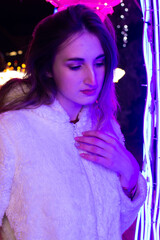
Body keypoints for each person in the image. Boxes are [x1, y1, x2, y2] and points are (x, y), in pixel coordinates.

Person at [0, 4, 147, 240]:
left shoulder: (105, 126)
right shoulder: (11, 131)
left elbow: (115, 225)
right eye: (76, 66)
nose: (92, 78)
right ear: (47, 68)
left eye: (99, 63)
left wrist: (128, 174)